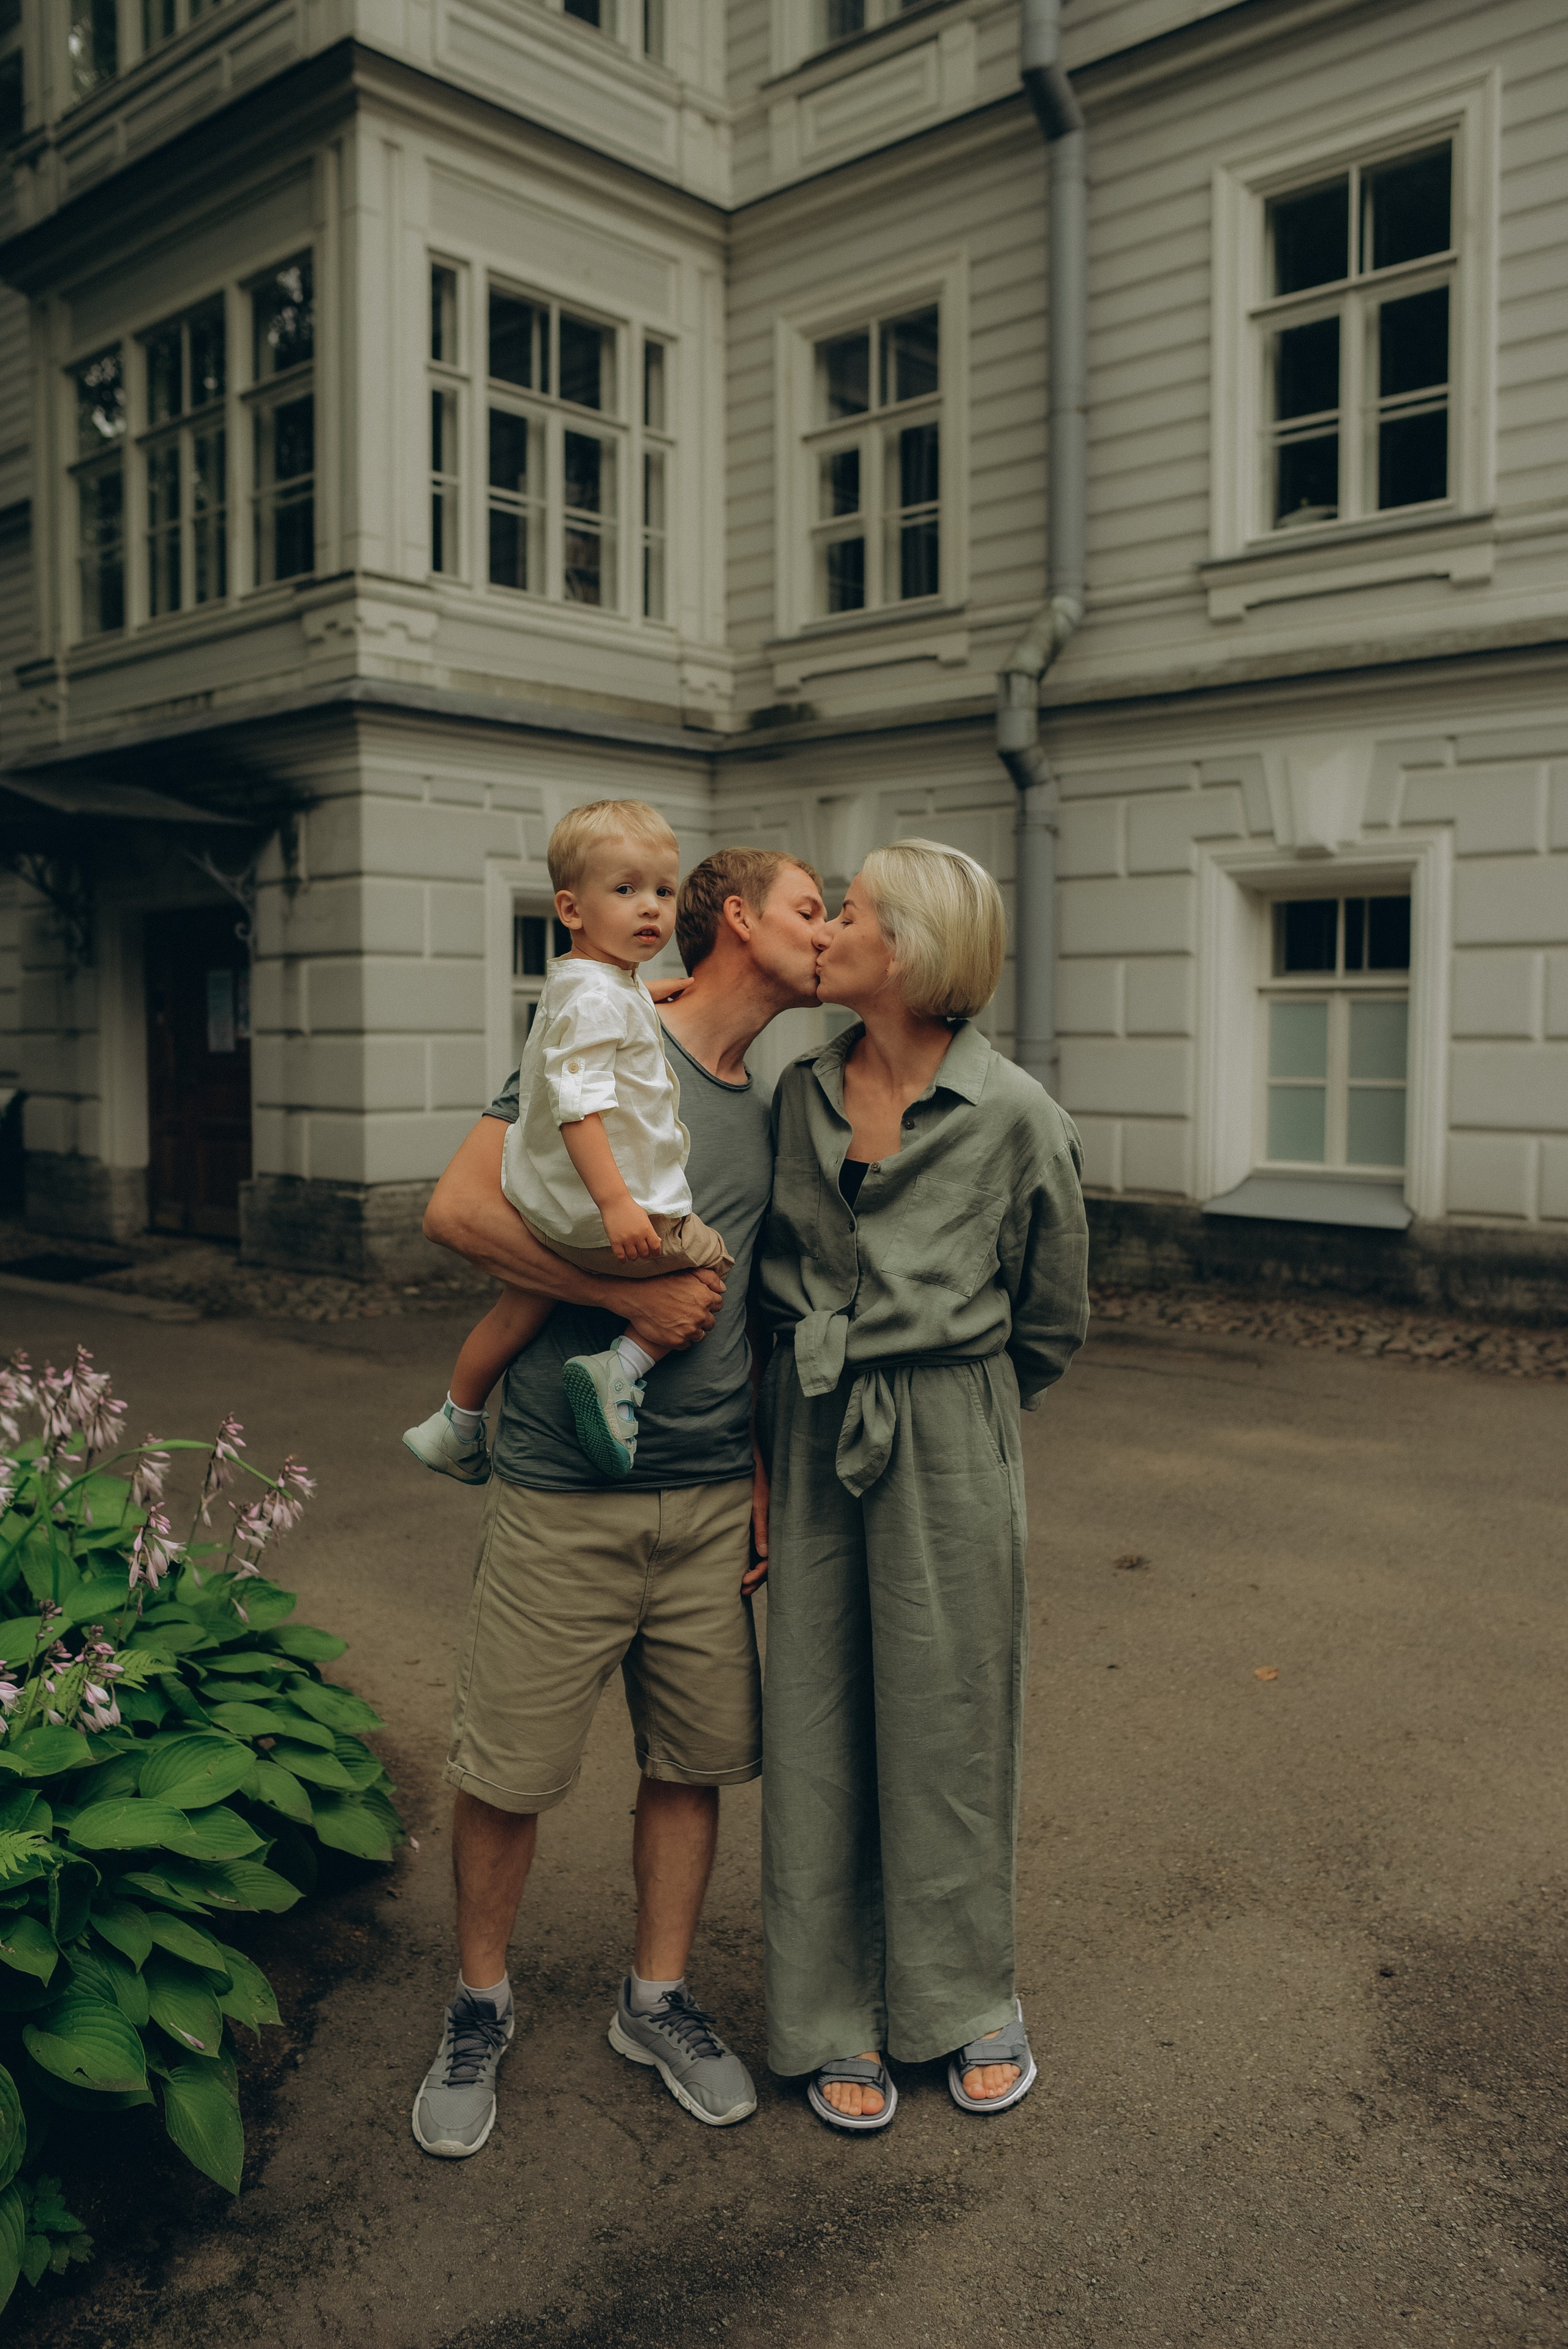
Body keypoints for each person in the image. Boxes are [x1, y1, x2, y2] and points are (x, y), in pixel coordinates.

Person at [411, 845, 831, 2159]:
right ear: (738, 921)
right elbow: (459, 1209)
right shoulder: (601, 1020)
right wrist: (619, 1298)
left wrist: (759, 1479)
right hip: (561, 1491)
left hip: (708, 1497)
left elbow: (756, 1316)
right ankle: (479, 2004)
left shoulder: (769, 1102)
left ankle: (654, 2001)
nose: (831, 935)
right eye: (813, 911)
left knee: (692, 1763)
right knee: (511, 1770)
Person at [755, 840, 1090, 2131]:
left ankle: (960, 2003)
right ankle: (828, 2013)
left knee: (948, 1725)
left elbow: (1050, 1317)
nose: (824, 930)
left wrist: (967, 1413)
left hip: (950, 1430)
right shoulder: (797, 1093)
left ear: (905, 950)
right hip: (809, 1421)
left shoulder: (1013, 1114)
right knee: (819, 1721)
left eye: (846, 915)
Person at [402, 800, 731, 1484]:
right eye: (626, 889)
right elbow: (580, 1105)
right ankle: (623, 1366)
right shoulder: (601, 999)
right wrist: (618, 1204)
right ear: (571, 909)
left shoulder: (590, 982)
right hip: (600, 1217)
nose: (651, 908)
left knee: (522, 1302)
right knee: (709, 1260)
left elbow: (610, 1007)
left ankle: (456, 1421)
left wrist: (658, 993)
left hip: (545, 1210)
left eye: (663, 892)